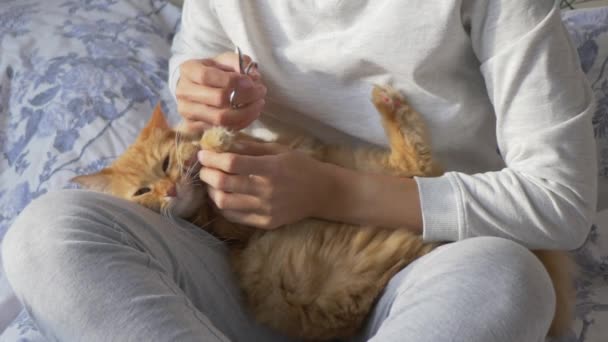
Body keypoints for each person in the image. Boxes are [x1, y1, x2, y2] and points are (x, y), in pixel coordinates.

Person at [2, 0, 597, 341]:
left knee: (508, 275)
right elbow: (192, 69)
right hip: (248, 270)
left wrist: (329, 190)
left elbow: (559, 201)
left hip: (423, 267)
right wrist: (199, 90)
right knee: (46, 233)